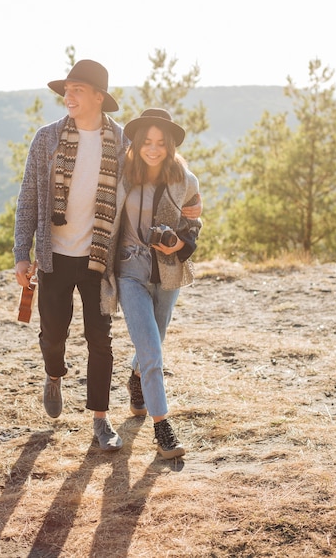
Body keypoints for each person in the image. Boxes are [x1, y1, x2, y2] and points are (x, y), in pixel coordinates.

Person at [14, 60, 202, 452]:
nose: (68, 95)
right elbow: (28, 198)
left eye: (77, 89)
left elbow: (158, 172)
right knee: (54, 335)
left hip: (100, 259)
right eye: (66, 89)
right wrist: (22, 253)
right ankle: (54, 373)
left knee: (102, 340)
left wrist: (179, 235)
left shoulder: (121, 143)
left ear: (99, 97)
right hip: (54, 256)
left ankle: (100, 420)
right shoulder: (46, 139)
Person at [101, 108, 202, 459]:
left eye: (161, 142)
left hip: (167, 274)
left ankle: (135, 376)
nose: (154, 149)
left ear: (170, 145)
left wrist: (178, 244)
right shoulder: (121, 175)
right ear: (137, 143)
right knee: (154, 353)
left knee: (152, 343)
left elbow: (194, 229)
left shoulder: (186, 181)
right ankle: (163, 429)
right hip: (129, 272)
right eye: (147, 141)